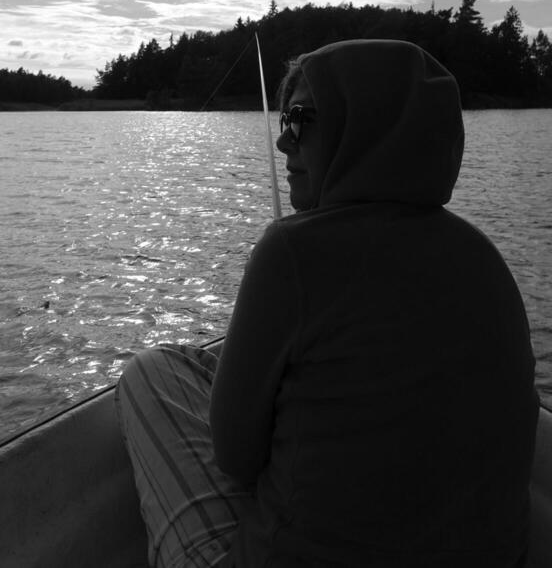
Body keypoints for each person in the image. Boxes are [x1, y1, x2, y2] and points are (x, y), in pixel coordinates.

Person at [116, 39, 539, 568]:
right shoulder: (484, 259)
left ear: (363, 124)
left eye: (299, 119)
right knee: (205, 364)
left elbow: (237, 459)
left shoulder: (291, 251)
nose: (282, 142)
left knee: (152, 370)